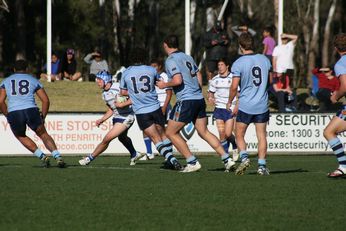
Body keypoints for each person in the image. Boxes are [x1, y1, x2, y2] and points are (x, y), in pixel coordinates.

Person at [157, 34, 236, 173]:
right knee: (204, 132)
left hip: (186, 100)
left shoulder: (171, 60)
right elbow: (198, 74)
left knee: (170, 132)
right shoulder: (187, 57)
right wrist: (197, 89)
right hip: (198, 99)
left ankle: (191, 161)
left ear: (165, 45)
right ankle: (227, 159)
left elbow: (177, 80)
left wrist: (164, 85)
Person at [120, 48, 182, 170]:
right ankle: (169, 159)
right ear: (143, 57)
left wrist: (133, 92)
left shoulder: (126, 73)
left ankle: (171, 159)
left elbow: (123, 92)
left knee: (155, 138)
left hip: (141, 111)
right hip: (155, 107)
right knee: (163, 134)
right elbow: (159, 84)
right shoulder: (151, 70)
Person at [0, 59, 65, 168]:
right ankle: (57, 156)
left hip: (15, 112)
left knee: (20, 135)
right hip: (31, 110)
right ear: (26, 69)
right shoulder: (33, 80)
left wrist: (7, 114)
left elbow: (1, 101)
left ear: (14, 69)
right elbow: (46, 100)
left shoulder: (6, 81)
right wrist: (43, 116)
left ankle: (42, 156)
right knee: (43, 134)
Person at [226, 33, 271, 176]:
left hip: (246, 105)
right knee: (261, 136)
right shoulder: (264, 59)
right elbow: (269, 81)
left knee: (238, 134)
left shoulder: (238, 63)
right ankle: (262, 167)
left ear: (240, 46)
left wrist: (229, 101)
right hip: (262, 104)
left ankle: (244, 157)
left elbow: (234, 87)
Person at [79, 71, 143, 166]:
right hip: (117, 117)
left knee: (107, 139)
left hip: (126, 117)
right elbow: (112, 108)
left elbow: (135, 97)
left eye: (99, 80)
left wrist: (123, 104)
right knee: (122, 138)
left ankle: (89, 158)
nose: (97, 82)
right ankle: (134, 154)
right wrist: (102, 119)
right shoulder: (104, 94)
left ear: (106, 80)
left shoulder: (118, 87)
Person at [140, 58, 172, 161]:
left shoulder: (164, 76)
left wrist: (164, 107)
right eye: (151, 66)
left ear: (160, 67)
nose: (153, 68)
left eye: (155, 66)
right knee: (146, 129)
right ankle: (149, 153)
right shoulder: (150, 77)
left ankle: (169, 154)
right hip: (152, 106)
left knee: (162, 130)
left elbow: (169, 93)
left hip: (163, 106)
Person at [323, 33, 346, 178]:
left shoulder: (341, 63)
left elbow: (345, 86)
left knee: (329, 132)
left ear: (336, 48)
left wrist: (335, 96)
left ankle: (344, 165)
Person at [208, 58, 239, 161]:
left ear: (227, 66)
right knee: (221, 134)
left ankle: (235, 145)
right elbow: (210, 93)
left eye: (221, 65)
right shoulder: (215, 79)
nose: (219, 67)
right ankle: (226, 158)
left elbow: (239, 94)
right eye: (218, 65)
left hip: (230, 108)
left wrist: (237, 106)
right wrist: (210, 98)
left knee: (228, 134)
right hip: (219, 109)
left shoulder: (233, 78)